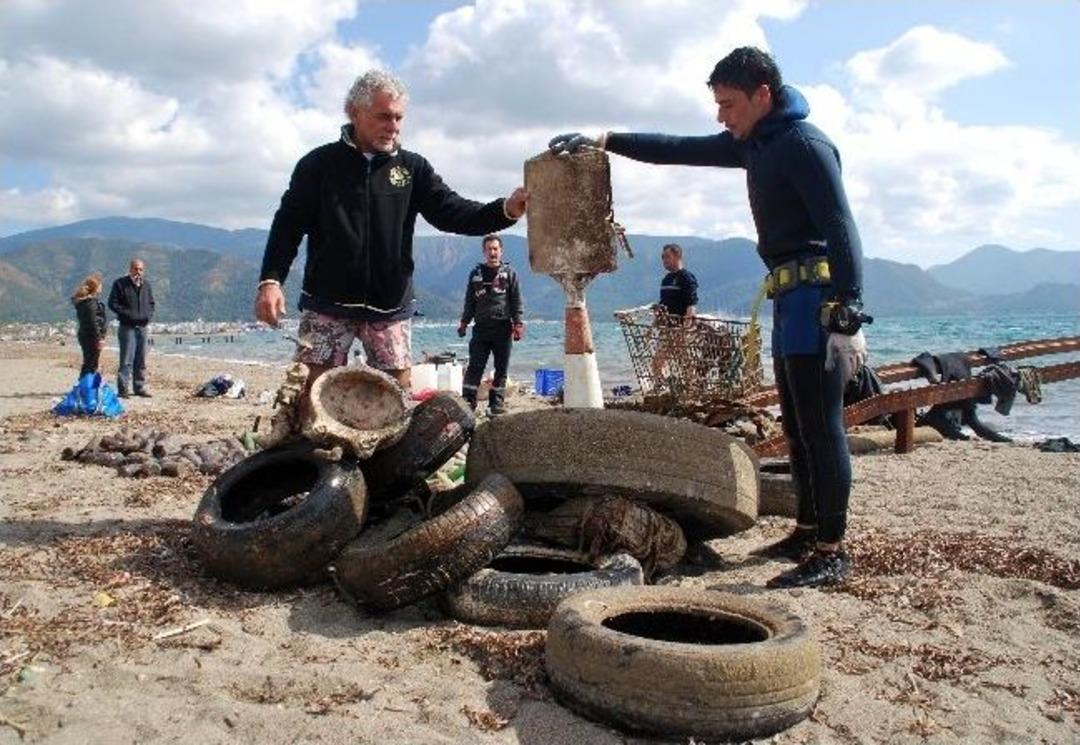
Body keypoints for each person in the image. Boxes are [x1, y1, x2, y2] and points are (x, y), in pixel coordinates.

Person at [550, 46, 870, 589]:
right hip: (787, 301)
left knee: (822, 426)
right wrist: (607, 140)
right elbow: (678, 149)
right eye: (718, 105)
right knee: (796, 424)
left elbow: (842, 226)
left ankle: (833, 550)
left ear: (762, 95)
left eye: (728, 104)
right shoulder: (757, 144)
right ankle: (808, 526)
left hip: (819, 302)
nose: (721, 116)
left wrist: (850, 309)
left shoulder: (804, 145)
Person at [255, 69, 528, 398]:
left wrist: (506, 210)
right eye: (384, 116)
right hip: (326, 303)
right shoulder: (318, 165)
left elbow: (454, 212)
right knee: (311, 398)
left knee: (395, 402)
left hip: (390, 308)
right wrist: (271, 280)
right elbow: (287, 225)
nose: (394, 126)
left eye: (399, 118)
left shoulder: (413, 169)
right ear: (354, 112)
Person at [457, 234, 525, 415]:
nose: (492, 252)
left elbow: (516, 300)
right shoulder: (475, 275)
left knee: (501, 368)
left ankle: (496, 404)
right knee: (475, 366)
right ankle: (468, 402)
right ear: (484, 252)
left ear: (501, 251)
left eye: (496, 249)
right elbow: (469, 302)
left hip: (503, 328)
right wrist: (464, 322)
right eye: (489, 249)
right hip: (481, 329)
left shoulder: (510, 274)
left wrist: (518, 323)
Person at [107, 258, 155, 397]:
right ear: (130, 269)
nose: (138, 272)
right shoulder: (120, 284)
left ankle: (139, 387)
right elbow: (112, 303)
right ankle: (123, 389)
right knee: (126, 359)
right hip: (127, 327)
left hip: (143, 327)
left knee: (141, 359)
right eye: (135, 268)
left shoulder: (146, 285)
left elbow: (151, 303)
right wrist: (127, 314)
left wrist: (148, 316)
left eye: (140, 269)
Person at [71, 274, 107, 378]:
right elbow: (93, 322)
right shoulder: (90, 303)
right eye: (100, 285)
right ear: (96, 287)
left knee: (89, 362)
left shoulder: (83, 303)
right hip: (91, 337)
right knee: (91, 363)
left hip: (85, 335)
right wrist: (99, 338)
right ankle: (85, 386)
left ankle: (85, 385)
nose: (101, 287)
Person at [657, 242, 698, 323]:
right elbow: (663, 303)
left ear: (677, 257)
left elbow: (691, 304)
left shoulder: (686, 277)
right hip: (667, 327)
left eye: (667, 257)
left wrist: (686, 328)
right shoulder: (666, 279)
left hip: (680, 327)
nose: (664, 260)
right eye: (663, 257)